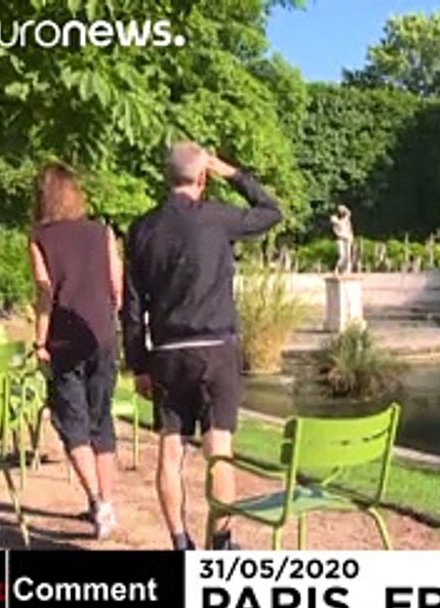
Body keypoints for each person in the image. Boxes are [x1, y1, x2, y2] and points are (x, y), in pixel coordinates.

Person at [122, 142, 283, 551]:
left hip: (168, 352)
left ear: (165, 177)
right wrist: (233, 173)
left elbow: (132, 305)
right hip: (215, 347)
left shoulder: (141, 229)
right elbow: (270, 211)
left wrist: (138, 364)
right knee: (219, 449)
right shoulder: (216, 219)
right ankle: (220, 542)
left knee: (170, 449)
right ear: (203, 177)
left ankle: (180, 543)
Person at [28, 162, 123, 539]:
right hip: (101, 335)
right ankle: (107, 501)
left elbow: (44, 292)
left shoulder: (40, 237)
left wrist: (40, 341)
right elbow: (117, 286)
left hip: (65, 340)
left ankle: (97, 504)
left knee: (72, 422)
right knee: (102, 419)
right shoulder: (103, 233)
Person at [331, 204, 355, 274]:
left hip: (347, 238)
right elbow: (337, 223)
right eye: (340, 210)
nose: (341, 212)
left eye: (342, 210)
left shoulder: (346, 220)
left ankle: (347, 270)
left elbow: (349, 213)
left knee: (348, 255)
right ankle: (337, 269)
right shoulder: (335, 219)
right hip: (340, 238)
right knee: (342, 255)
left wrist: (345, 209)